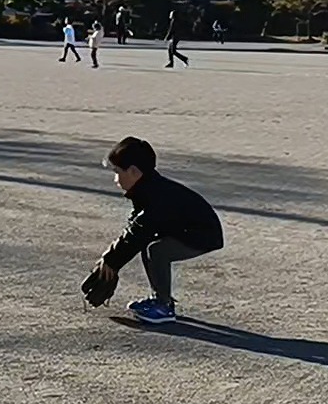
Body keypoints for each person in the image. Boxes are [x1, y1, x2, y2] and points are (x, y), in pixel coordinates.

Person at [83, 137, 223, 323]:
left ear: (134, 172)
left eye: (117, 172)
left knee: (156, 250)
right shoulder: (145, 189)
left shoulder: (157, 197)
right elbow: (134, 229)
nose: (115, 179)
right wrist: (110, 260)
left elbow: (137, 233)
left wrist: (112, 261)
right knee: (149, 245)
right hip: (184, 229)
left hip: (203, 234)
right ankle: (161, 299)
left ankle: (163, 307)